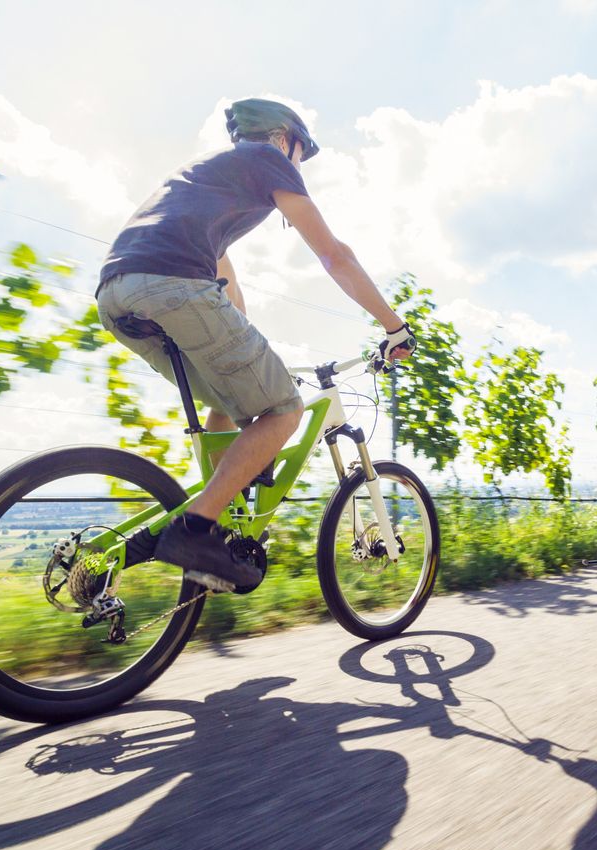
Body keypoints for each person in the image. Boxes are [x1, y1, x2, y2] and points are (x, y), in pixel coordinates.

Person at [96, 98, 415, 586]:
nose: (298, 169)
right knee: (284, 409)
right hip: (171, 284)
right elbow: (334, 256)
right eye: (300, 157)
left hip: (116, 293)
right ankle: (197, 528)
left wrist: (243, 346)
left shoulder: (207, 178)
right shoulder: (266, 160)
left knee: (230, 395)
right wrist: (394, 326)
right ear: (285, 139)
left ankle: (220, 519)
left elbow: (227, 286)